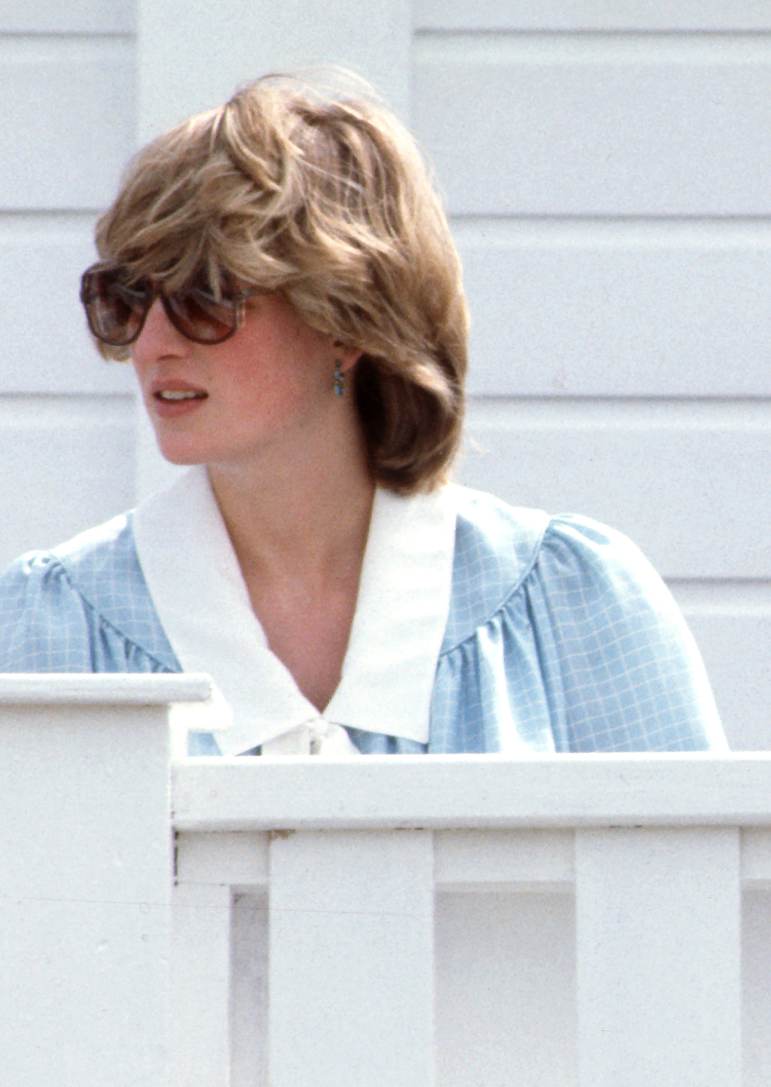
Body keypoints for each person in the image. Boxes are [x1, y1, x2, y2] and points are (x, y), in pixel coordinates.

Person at [0, 74, 724, 756]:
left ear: (347, 321)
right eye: (126, 298)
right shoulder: (46, 625)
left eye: (206, 296)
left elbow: (690, 883)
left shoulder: (573, 606)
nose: (153, 343)